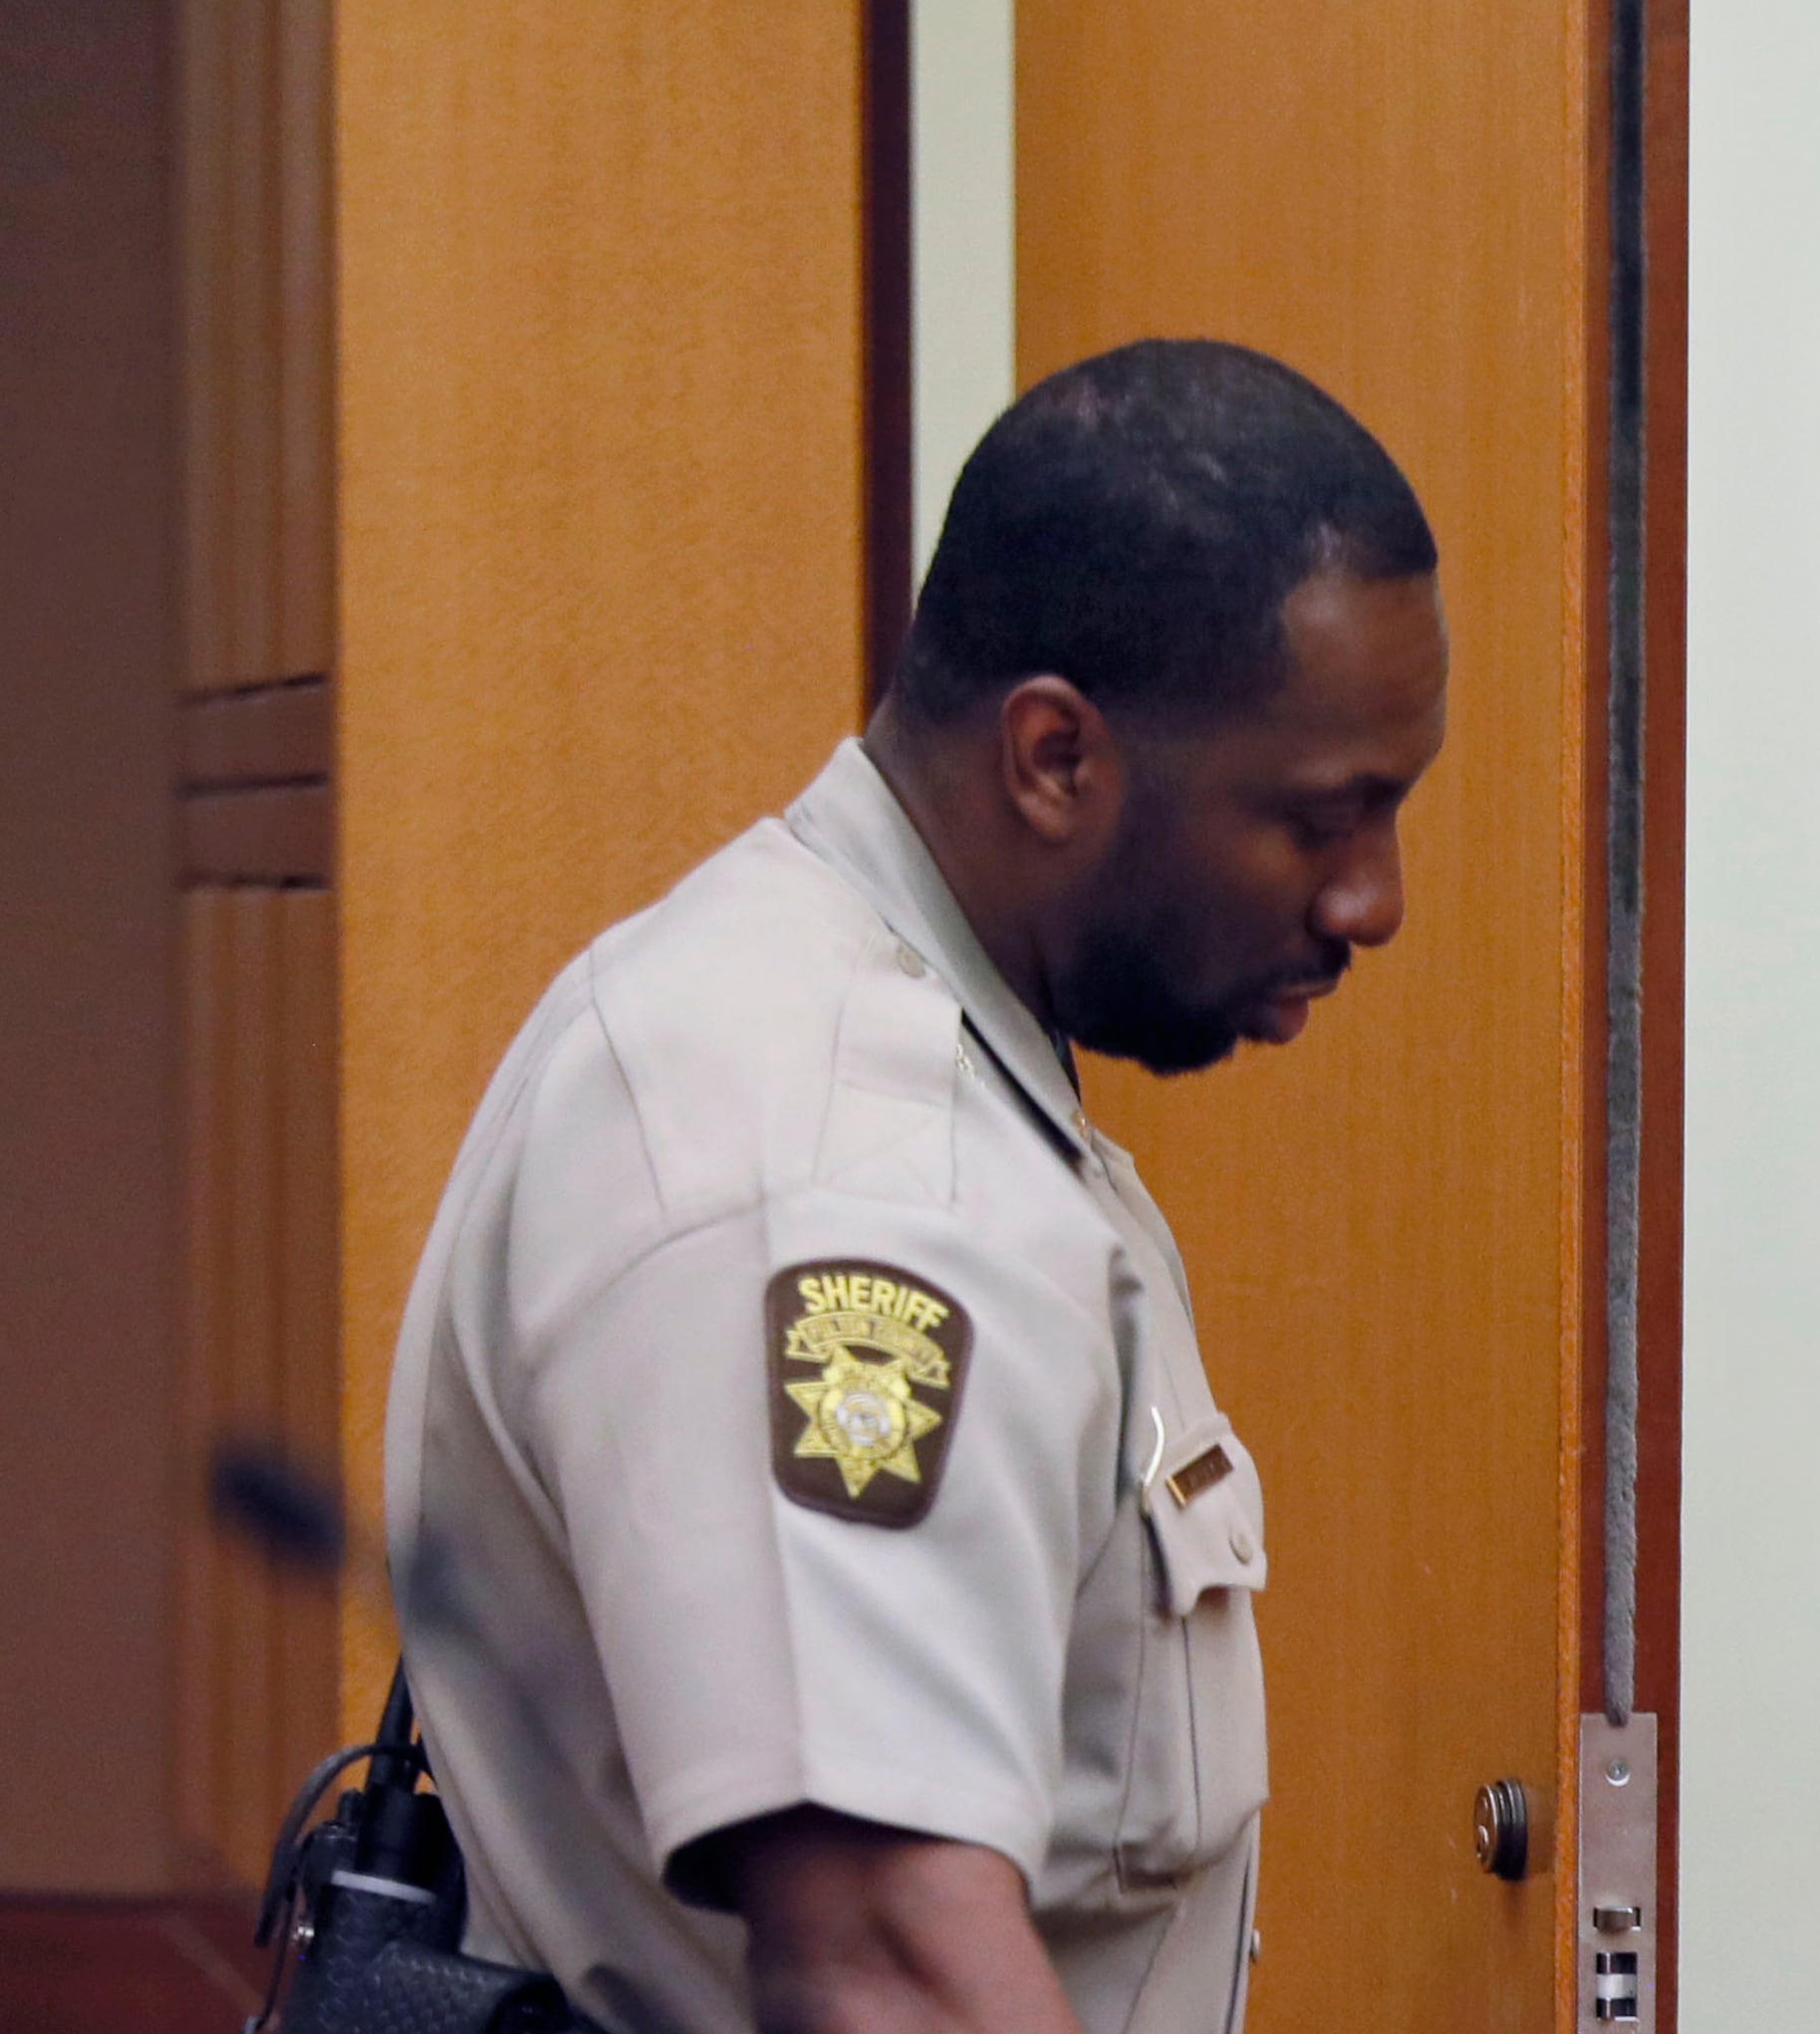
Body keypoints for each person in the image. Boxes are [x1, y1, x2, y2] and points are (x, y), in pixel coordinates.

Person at [382, 338, 1448, 2034]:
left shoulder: (914, 1050)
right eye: (1324, 817)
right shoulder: (838, 1165)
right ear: (1051, 758)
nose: (1371, 900)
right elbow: (883, 1961)